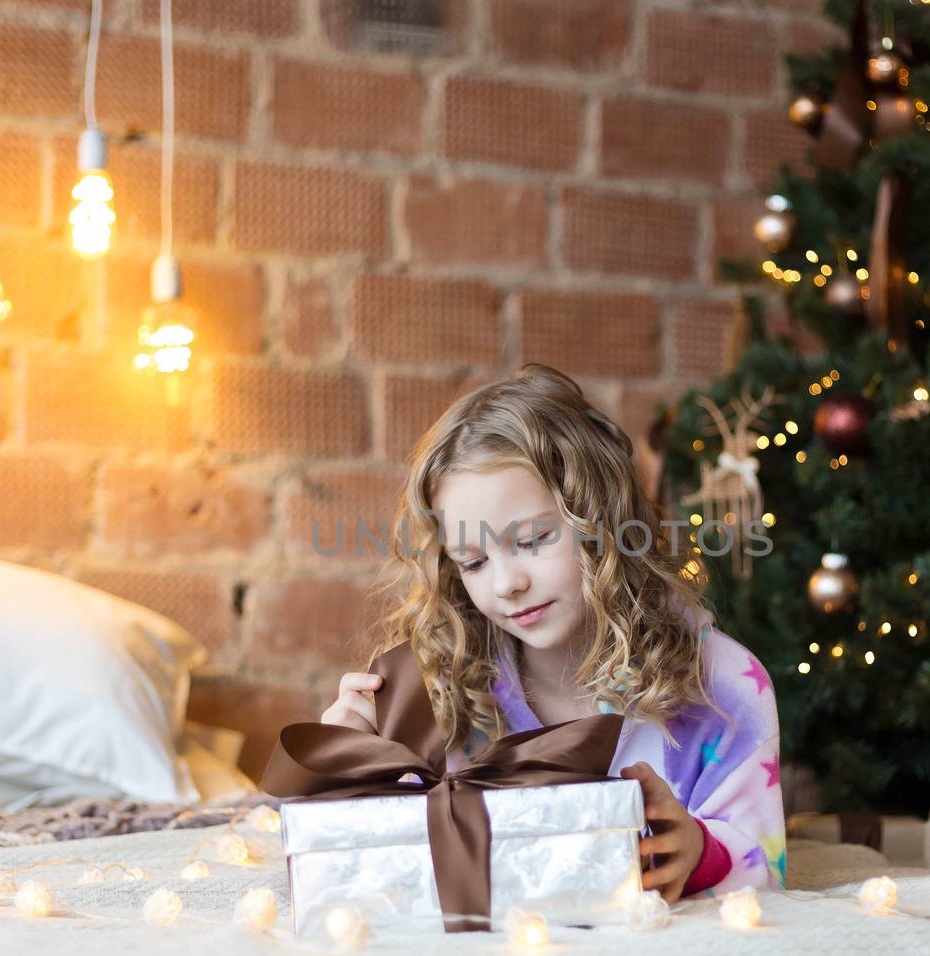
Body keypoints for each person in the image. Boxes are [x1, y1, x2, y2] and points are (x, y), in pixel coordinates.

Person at [322, 363, 785, 901]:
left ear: (604, 522)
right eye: (472, 563)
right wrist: (347, 772)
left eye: (535, 539)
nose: (507, 583)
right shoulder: (442, 688)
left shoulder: (724, 685)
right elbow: (382, 866)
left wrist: (702, 855)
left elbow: (765, 863)